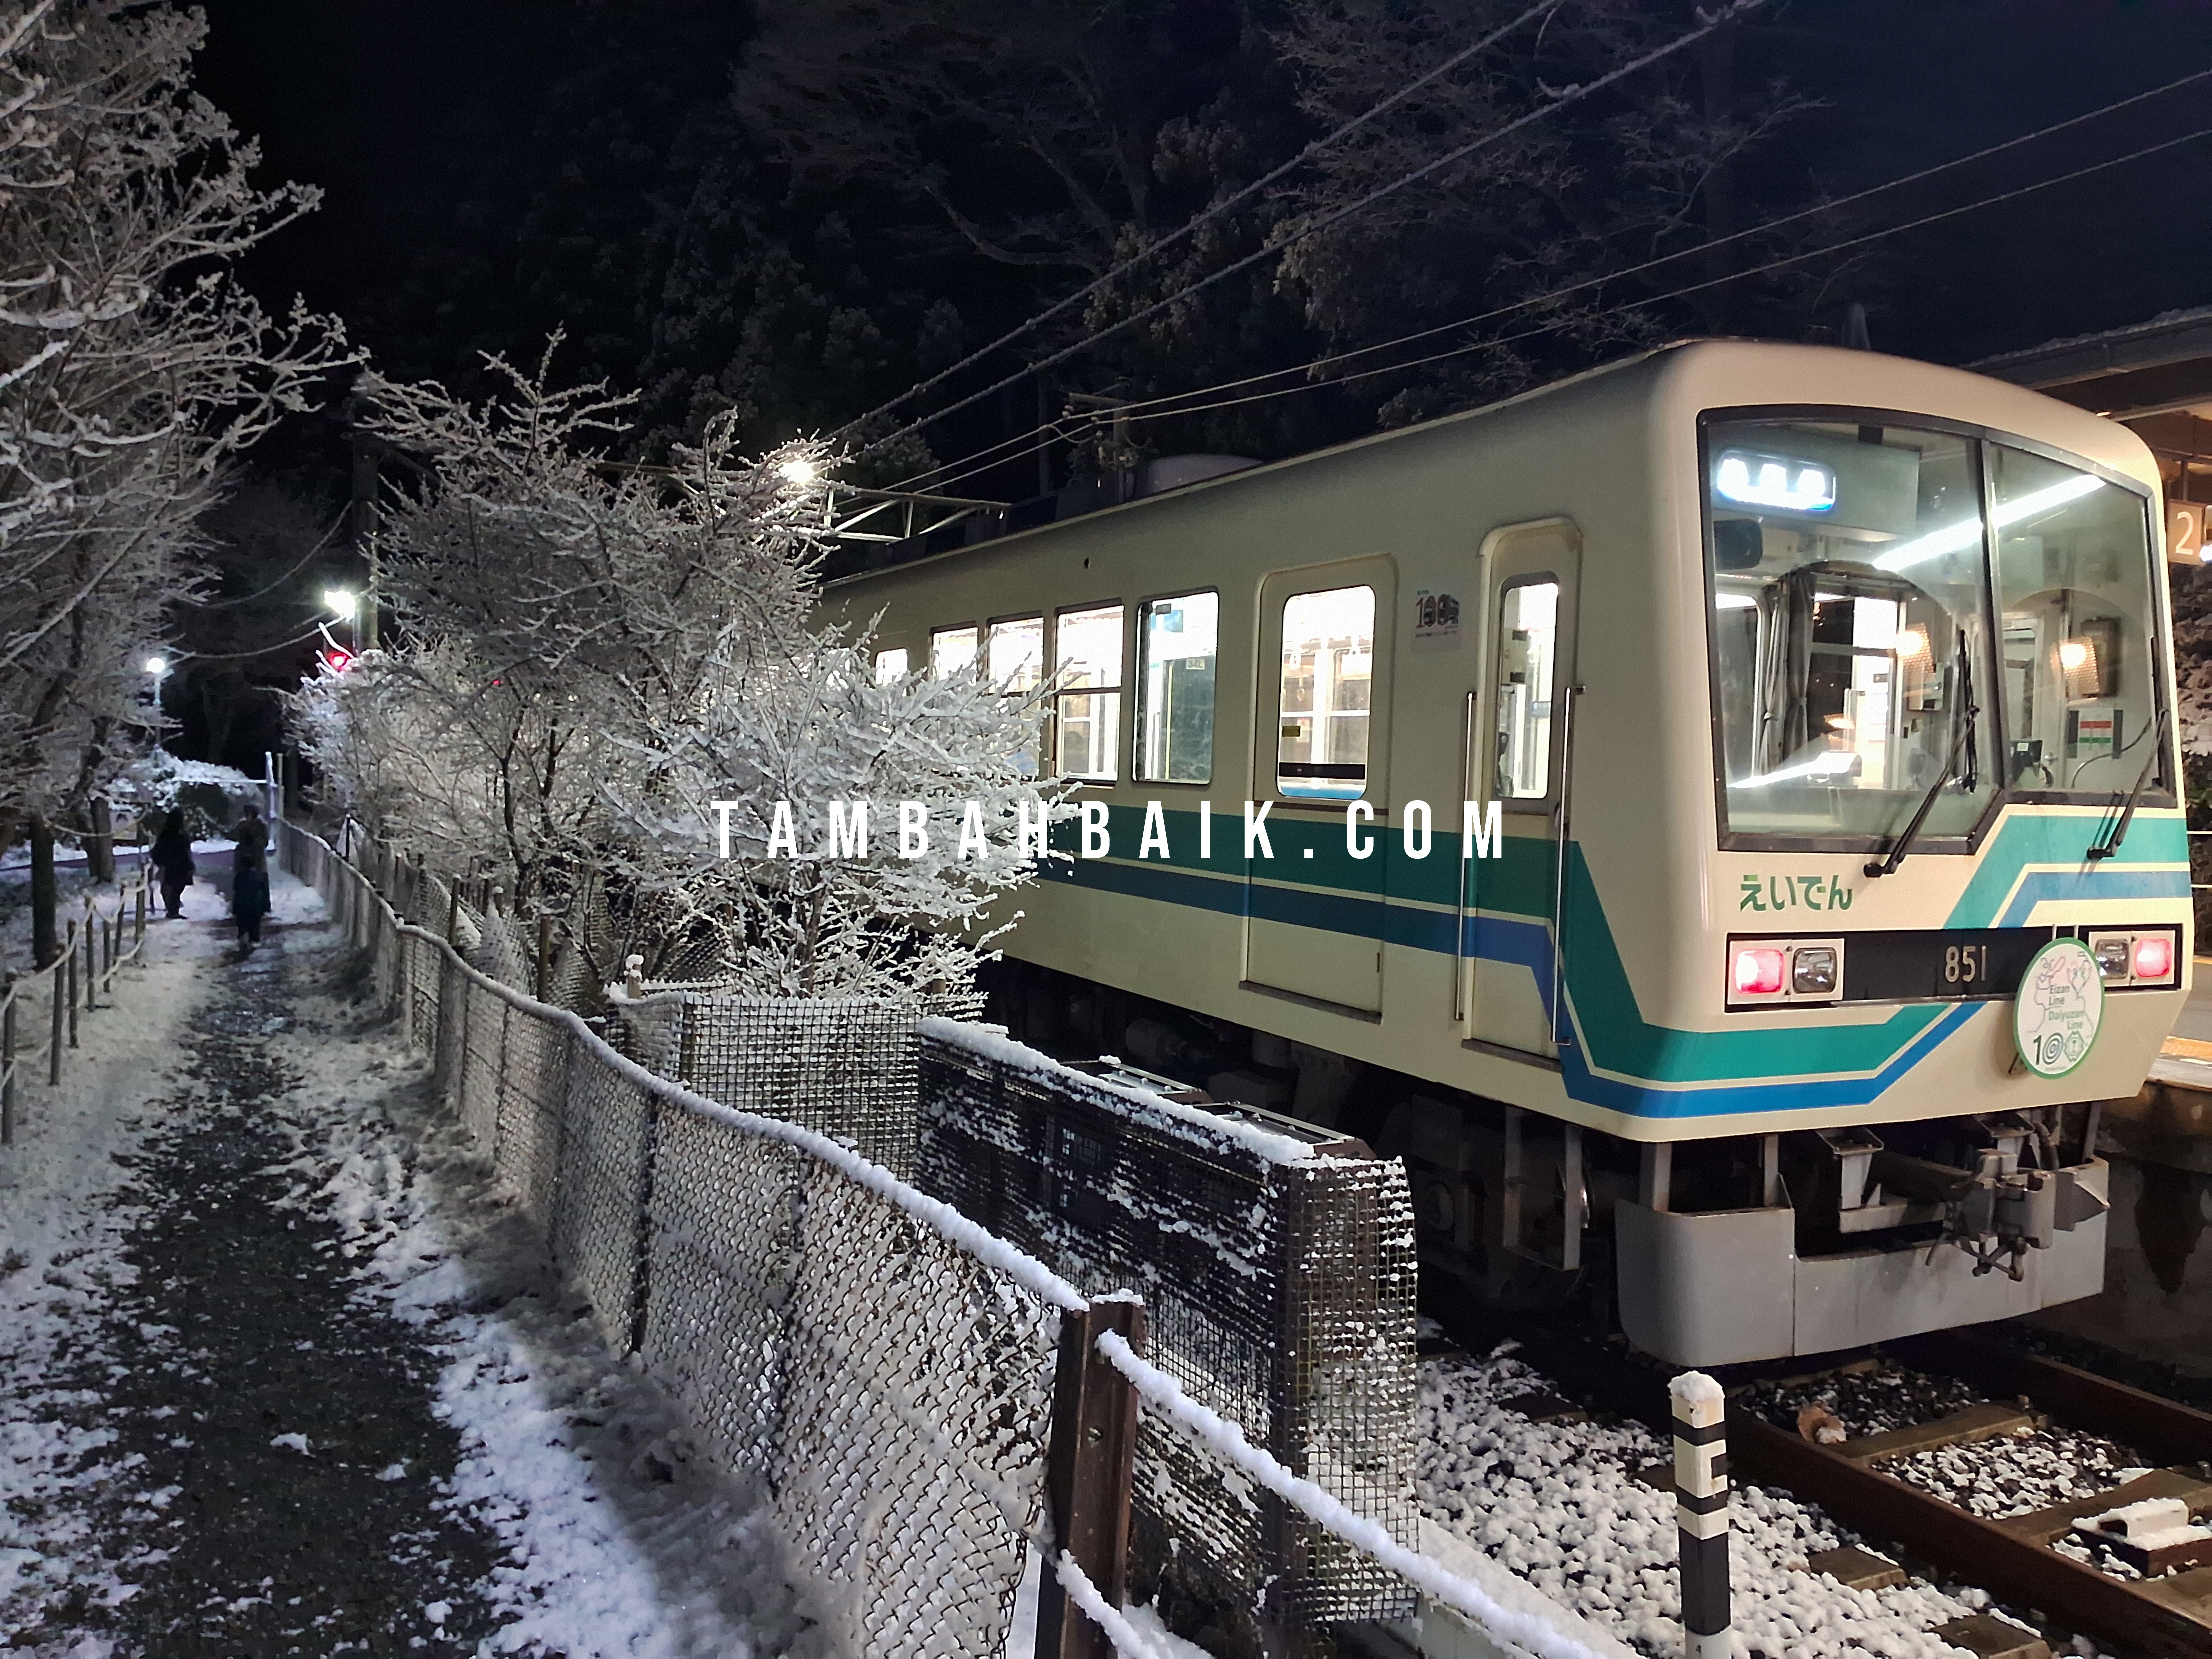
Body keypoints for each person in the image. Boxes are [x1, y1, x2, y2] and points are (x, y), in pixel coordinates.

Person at [229, 805, 270, 947]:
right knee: (245, 885)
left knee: (257, 884)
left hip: (256, 860)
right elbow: (234, 836)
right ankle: (246, 924)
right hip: (245, 860)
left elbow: (264, 842)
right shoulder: (243, 825)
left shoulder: (261, 826)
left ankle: (262, 907)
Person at [148, 809, 194, 918]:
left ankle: (173, 909)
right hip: (180, 866)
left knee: (169, 888)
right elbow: (186, 851)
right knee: (175, 888)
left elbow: (159, 850)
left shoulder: (166, 834)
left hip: (170, 866)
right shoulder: (182, 835)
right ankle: (173, 910)